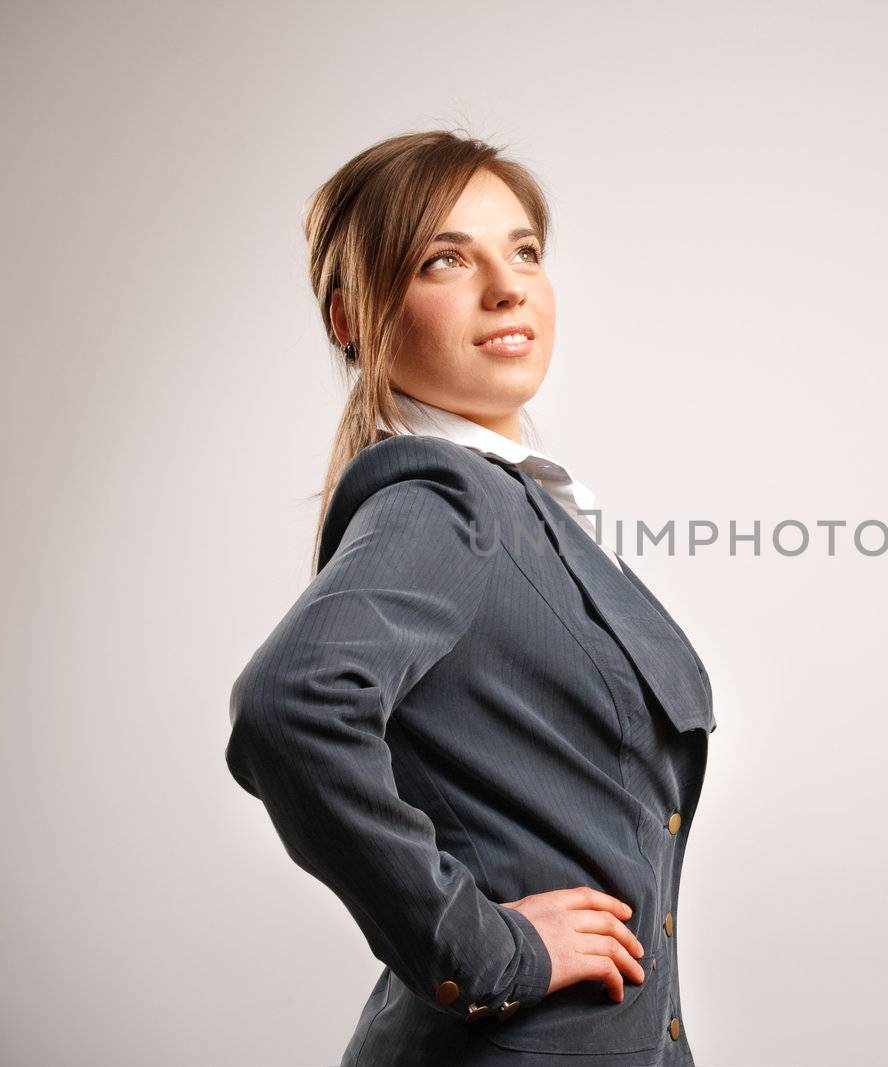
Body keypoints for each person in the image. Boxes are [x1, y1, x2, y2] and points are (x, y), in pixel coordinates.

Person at [225, 131, 716, 1067]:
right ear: (350, 318)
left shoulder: (522, 503)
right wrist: (482, 950)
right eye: (447, 257)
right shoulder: (446, 500)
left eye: (523, 250)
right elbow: (288, 705)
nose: (508, 284)